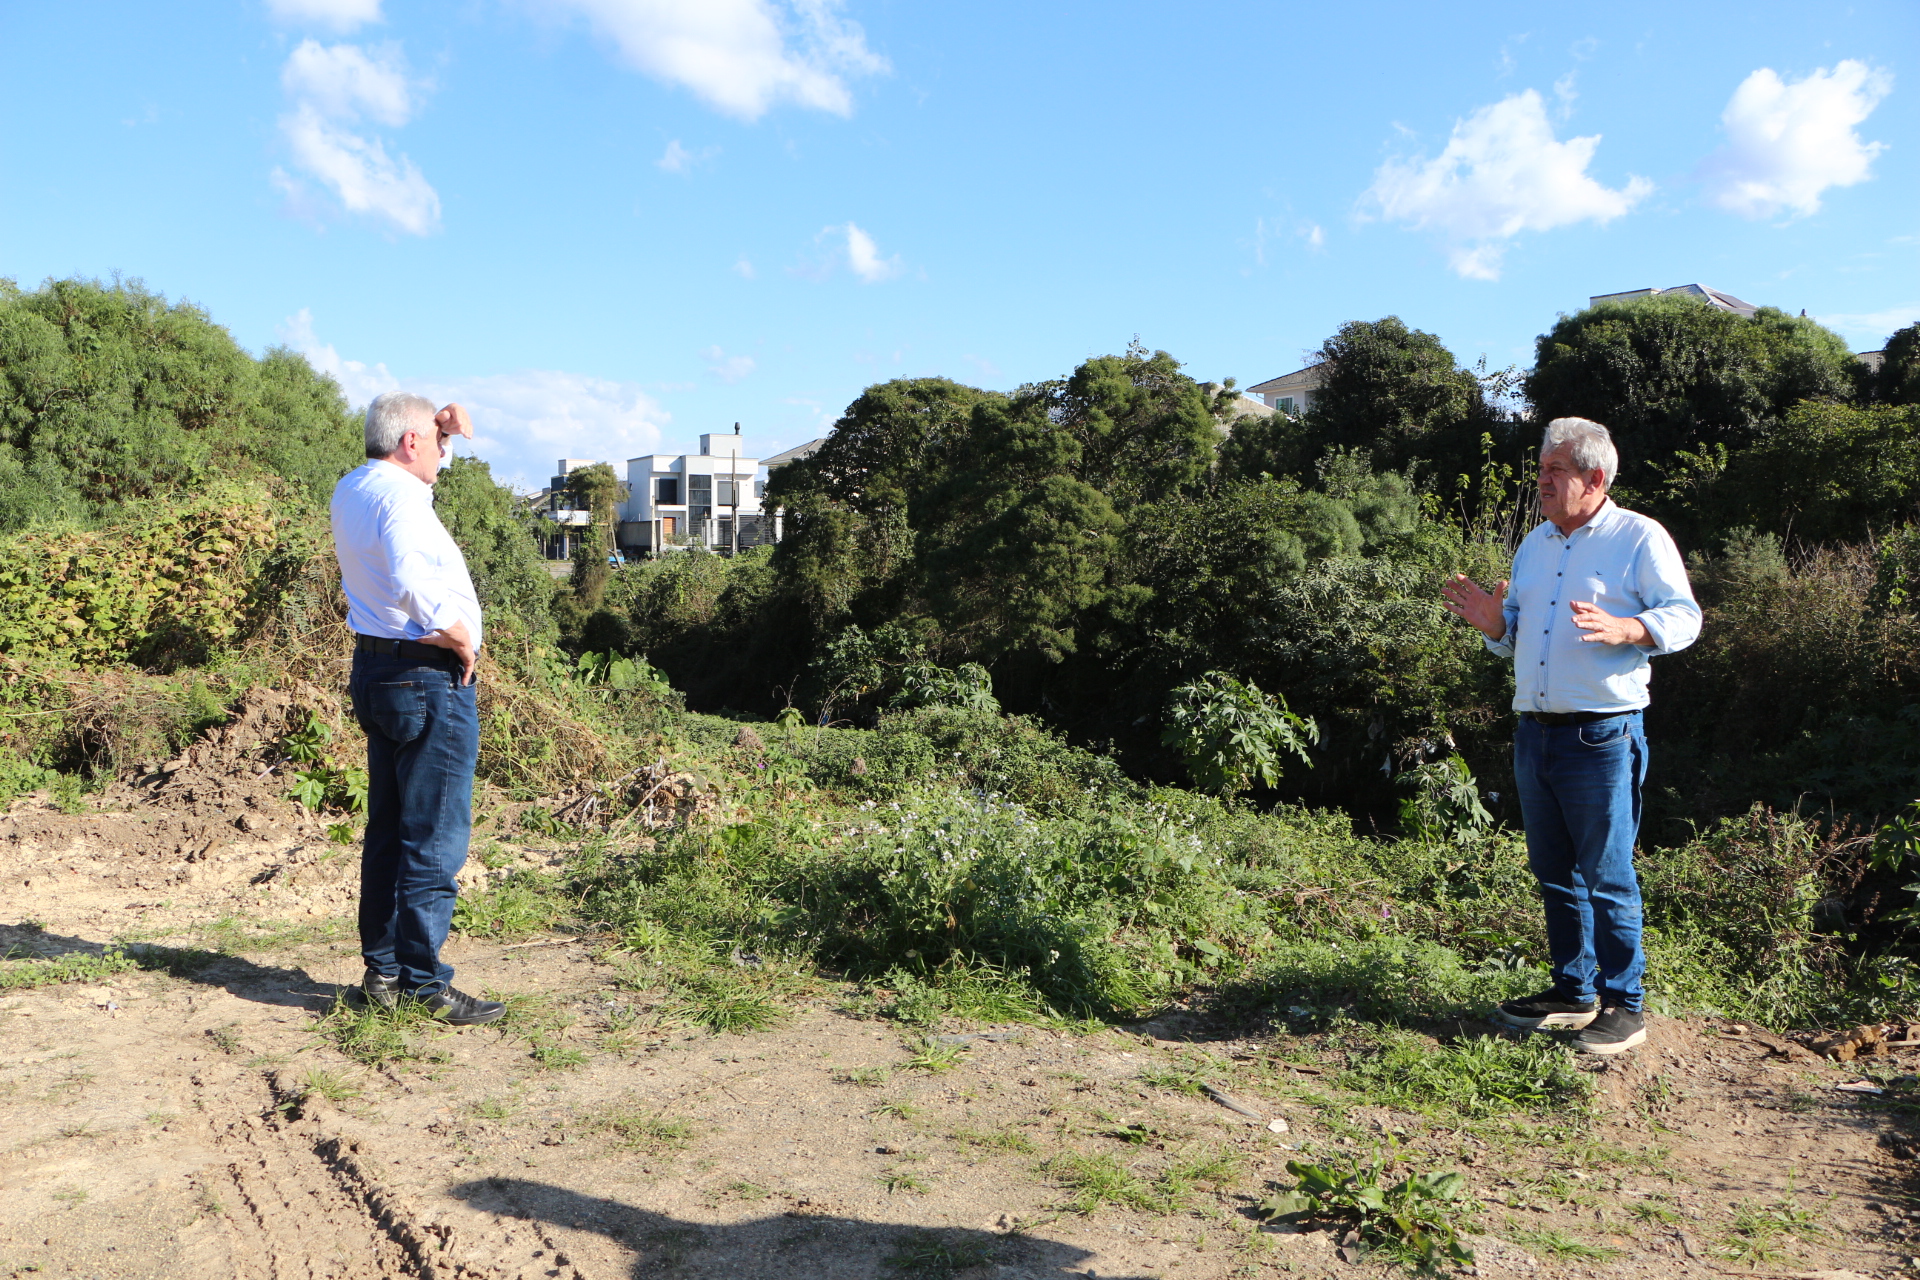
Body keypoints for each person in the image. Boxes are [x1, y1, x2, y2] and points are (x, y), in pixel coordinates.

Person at [1440, 418, 1700, 1055]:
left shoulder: (1639, 537)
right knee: (1554, 870)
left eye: (1556, 471)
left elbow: (1685, 617)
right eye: (1541, 471)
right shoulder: (1534, 545)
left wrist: (1630, 630)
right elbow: (1515, 637)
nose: (1543, 481)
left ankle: (1625, 1005)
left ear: (1595, 478)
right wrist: (1493, 624)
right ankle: (1573, 990)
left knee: (1607, 873)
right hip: (1536, 732)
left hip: (1602, 735)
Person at [330, 392, 504, 1026]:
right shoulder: (399, 498)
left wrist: (447, 436)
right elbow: (408, 571)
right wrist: (457, 633)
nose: (439, 451)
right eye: (431, 440)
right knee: (433, 834)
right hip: (426, 675)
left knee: (388, 830)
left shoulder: (355, 487)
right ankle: (424, 983)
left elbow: (419, 481)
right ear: (408, 443)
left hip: (377, 668)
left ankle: (384, 973)